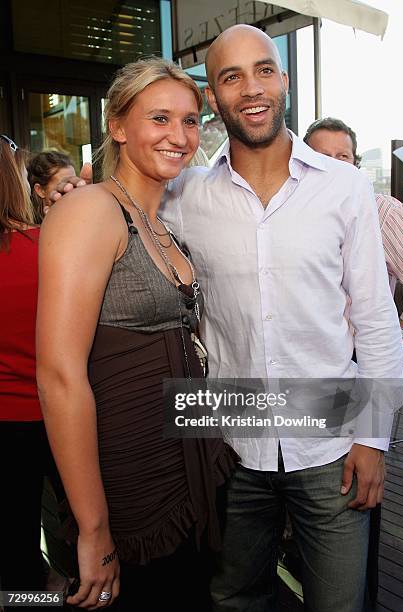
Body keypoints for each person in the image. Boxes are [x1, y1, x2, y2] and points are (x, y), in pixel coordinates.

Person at [49, 26, 403, 612]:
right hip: (226, 441)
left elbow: (374, 321)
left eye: (263, 70)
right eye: (230, 76)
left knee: (340, 602)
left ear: (284, 79)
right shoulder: (186, 194)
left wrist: (373, 439)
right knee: (232, 599)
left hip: (332, 438)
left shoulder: (344, 186)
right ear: (214, 97)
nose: (251, 88)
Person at [36, 57, 237, 611]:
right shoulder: (89, 211)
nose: (179, 136)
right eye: (160, 118)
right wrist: (94, 528)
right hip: (127, 483)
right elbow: (58, 376)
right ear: (118, 126)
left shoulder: (164, 225)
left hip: (187, 469)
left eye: (191, 121)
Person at [304, 117, 403, 344]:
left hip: (360, 354)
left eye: (343, 156)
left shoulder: (382, 212)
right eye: (322, 157)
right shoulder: (284, 213)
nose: (334, 165)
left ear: (355, 164)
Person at [0, 135, 48, 601]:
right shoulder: (45, 248)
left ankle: (32, 599)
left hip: (7, 422)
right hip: (54, 413)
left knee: (15, 538)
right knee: (82, 523)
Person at [27, 150, 76, 221]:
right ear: (40, 190)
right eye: (62, 185)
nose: (71, 189)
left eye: (74, 184)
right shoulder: (30, 229)